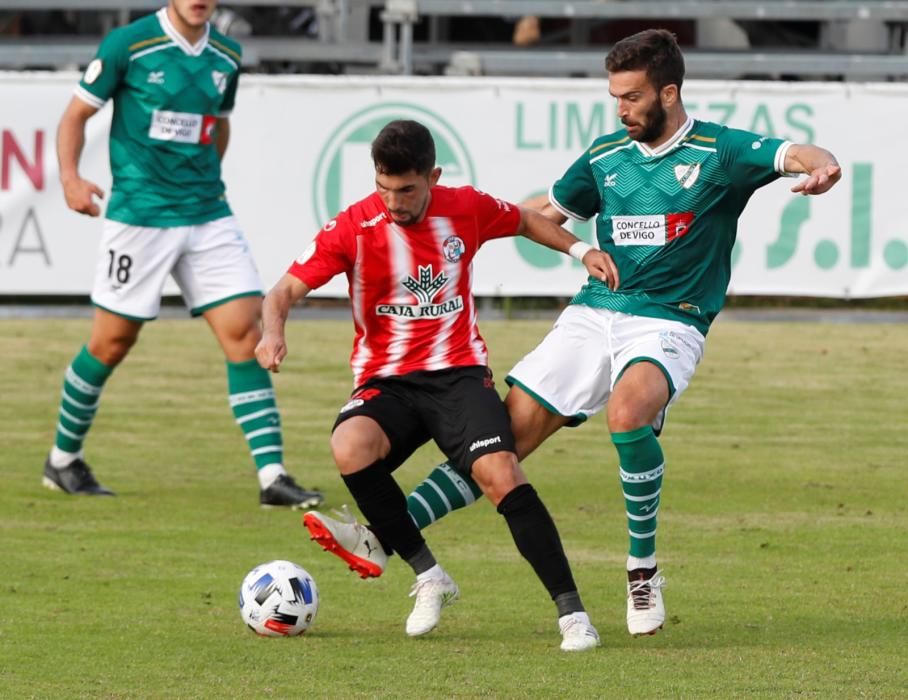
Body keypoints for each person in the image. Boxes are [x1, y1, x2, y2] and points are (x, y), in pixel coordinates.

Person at [307, 29, 842, 638]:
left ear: (669, 92)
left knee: (627, 412)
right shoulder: (605, 155)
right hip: (594, 314)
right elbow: (546, 213)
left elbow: (796, 152)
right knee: (497, 447)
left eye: (632, 96)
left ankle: (642, 572)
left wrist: (822, 166)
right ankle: (383, 536)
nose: (621, 108)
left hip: (671, 317)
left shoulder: (721, 151)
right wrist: (467, 218)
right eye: (615, 96)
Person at [256, 119, 618, 651]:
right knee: (349, 445)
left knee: (502, 474)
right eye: (383, 188)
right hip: (389, 382)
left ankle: (572, 615)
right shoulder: (352, 228)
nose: (393, 201)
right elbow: (282, 289)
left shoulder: (464, 207)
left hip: (459, 377)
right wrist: (273, 333)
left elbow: (524, 220)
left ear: (433, 177)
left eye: (406, 189)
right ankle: (429, 575)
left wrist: (581, 251)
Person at [42, 0, 323, 510]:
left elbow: (219, 124)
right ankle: (62, 460)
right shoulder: (128, 45)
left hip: (208, 215)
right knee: (110, 344)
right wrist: (70, 178)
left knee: (244, 334)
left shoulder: (226, 54)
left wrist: (203, 178)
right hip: (140, 217)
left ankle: (273, 476)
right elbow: (75, 116)